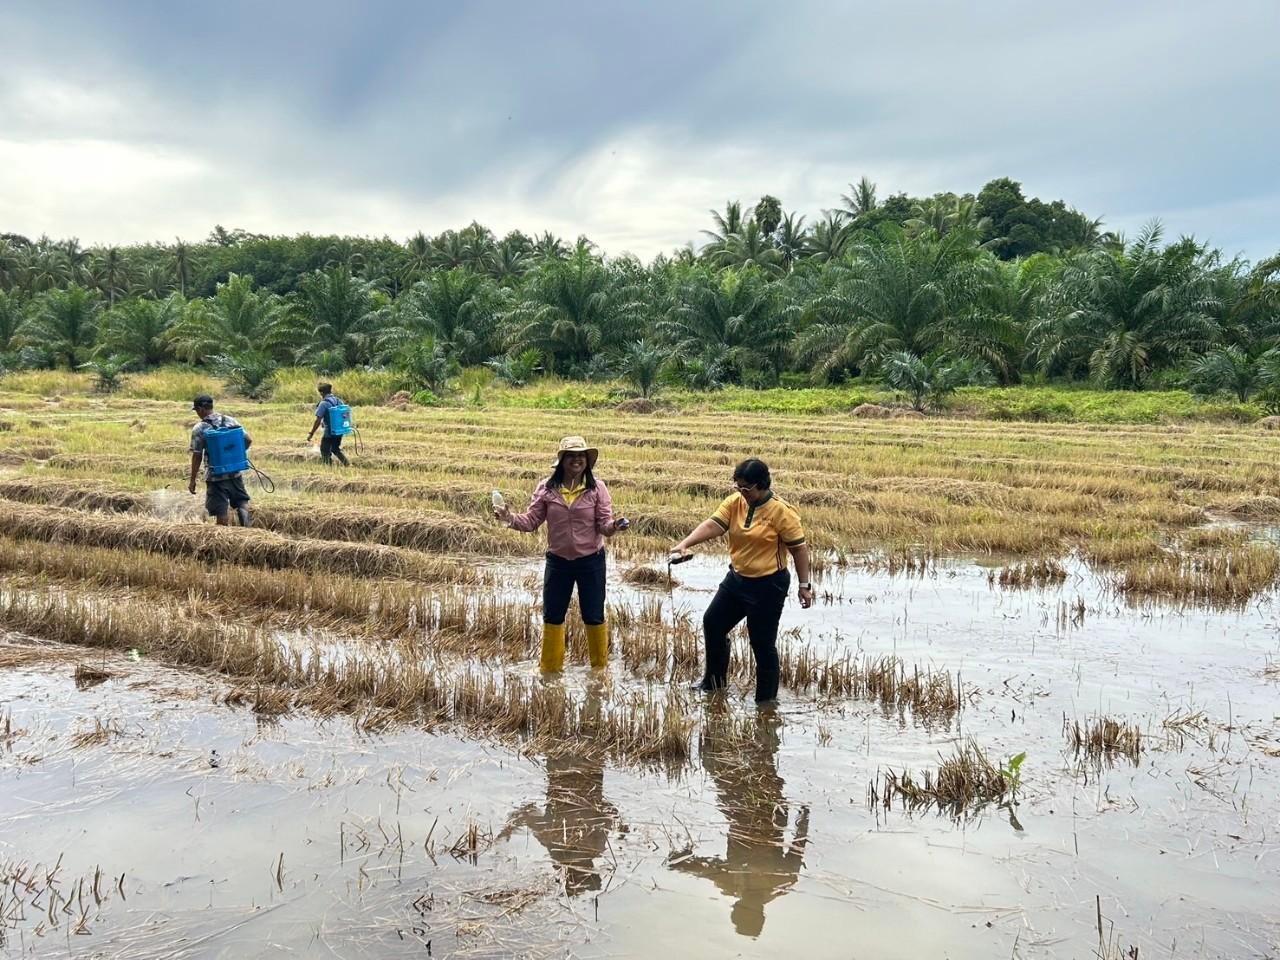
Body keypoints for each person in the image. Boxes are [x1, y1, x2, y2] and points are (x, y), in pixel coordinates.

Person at [670, 458, 813, 704]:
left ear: (761, 485)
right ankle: (713, 684)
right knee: (713, 622)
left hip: (769, 585)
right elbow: (714, 525)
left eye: (746, 488)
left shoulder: (782, 512)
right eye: (738, 487)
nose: (741, 492)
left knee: (761, 643)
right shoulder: (735, 502)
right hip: (737, 580)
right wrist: (685, 543)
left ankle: (765, 703)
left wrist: (804, 586)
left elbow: (799, 550)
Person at [668, 706, 808, 938]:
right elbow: (798, 845)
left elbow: (705, 870)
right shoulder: (780, 881)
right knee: (763, 762)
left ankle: (759, 723)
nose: (741, 900)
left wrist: (682, 864)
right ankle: (764, 722)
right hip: (769, 813)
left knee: (735, 765)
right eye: (741, 905)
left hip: (744, 816)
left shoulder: (736, 884)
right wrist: (803, 819)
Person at [495, 436, 626, 671]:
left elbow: (604, 524)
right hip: (558, 562)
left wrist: (615, 526)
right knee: (553, 615)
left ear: (587, 461)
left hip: (591, 561)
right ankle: (549, 671)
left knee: (593, 615)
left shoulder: (597, 489)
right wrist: (509, 519)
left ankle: (600, 671)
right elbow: (531, 521)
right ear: (562, 460)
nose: (577, 460)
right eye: (572, 456)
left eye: (581, 456)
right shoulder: (546, 488)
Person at [188, 394, 253, 527]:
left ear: (201, 409)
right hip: (235, 472)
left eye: (197, 410)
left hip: (215, 476)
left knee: (220, 509)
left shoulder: (199, 428)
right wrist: (237, 456)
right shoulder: (231, 420)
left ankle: (223, 536)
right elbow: (248, 440)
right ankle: (248, 528)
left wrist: (192, 480)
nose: (197, 414)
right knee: (241, 501)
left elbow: (197, 455)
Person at [307, 382, 349, 466]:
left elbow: (318, 420)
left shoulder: (324, 403)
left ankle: (328, 467)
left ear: (322, 393)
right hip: (339, 430)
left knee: (324, 450)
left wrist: (311, 433)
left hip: (329, 432)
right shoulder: (338, 400)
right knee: (335, 448)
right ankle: (347, 464)